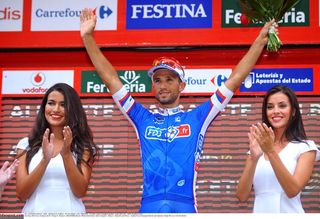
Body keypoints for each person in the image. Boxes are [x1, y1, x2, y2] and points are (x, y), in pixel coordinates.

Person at [80, 8, 277, 213]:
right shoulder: (141, 118)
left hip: (185, 206)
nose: (162, 85)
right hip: (149, 206)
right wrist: (88, 38)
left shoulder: (198, 117)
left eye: (169, 79)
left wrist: (259, 42)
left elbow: (234, 80)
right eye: (157, 80)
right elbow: (111, 79)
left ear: (181, 85)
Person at [15, 83, 99, 213]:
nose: (56, 109)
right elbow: (22, 194)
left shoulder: (83, 146)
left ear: (73, 109)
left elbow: (80, 191)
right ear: (44, 107)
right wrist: (45, 160)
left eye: (63, 105)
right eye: (51, 103)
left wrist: (66, 155)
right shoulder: (26, 145)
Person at [236, 85, 320, 213]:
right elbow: (241, 196)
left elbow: (292, 190)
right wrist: (253, 158)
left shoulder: (306, 148)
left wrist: (270, 151)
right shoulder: (258, 147)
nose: (275, 111)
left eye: (282, 106)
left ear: (293, 112)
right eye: (270, 107)